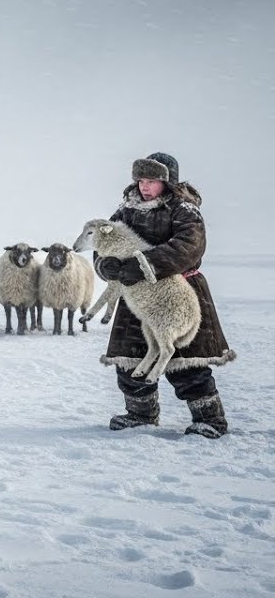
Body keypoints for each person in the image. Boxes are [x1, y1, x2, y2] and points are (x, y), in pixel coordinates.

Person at [94, 152, 235, 438]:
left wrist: (142, 265)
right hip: (138, 297)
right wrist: (105, 264)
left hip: (179, 294)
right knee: (131, 358)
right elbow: (103, 239)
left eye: (152, 181)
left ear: (168, 182)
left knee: (185, 363)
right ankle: (140, 414)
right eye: (141, 180)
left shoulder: (185, 209)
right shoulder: (126, 210)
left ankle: (210, 419)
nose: (144, 187)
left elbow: (188, 246)